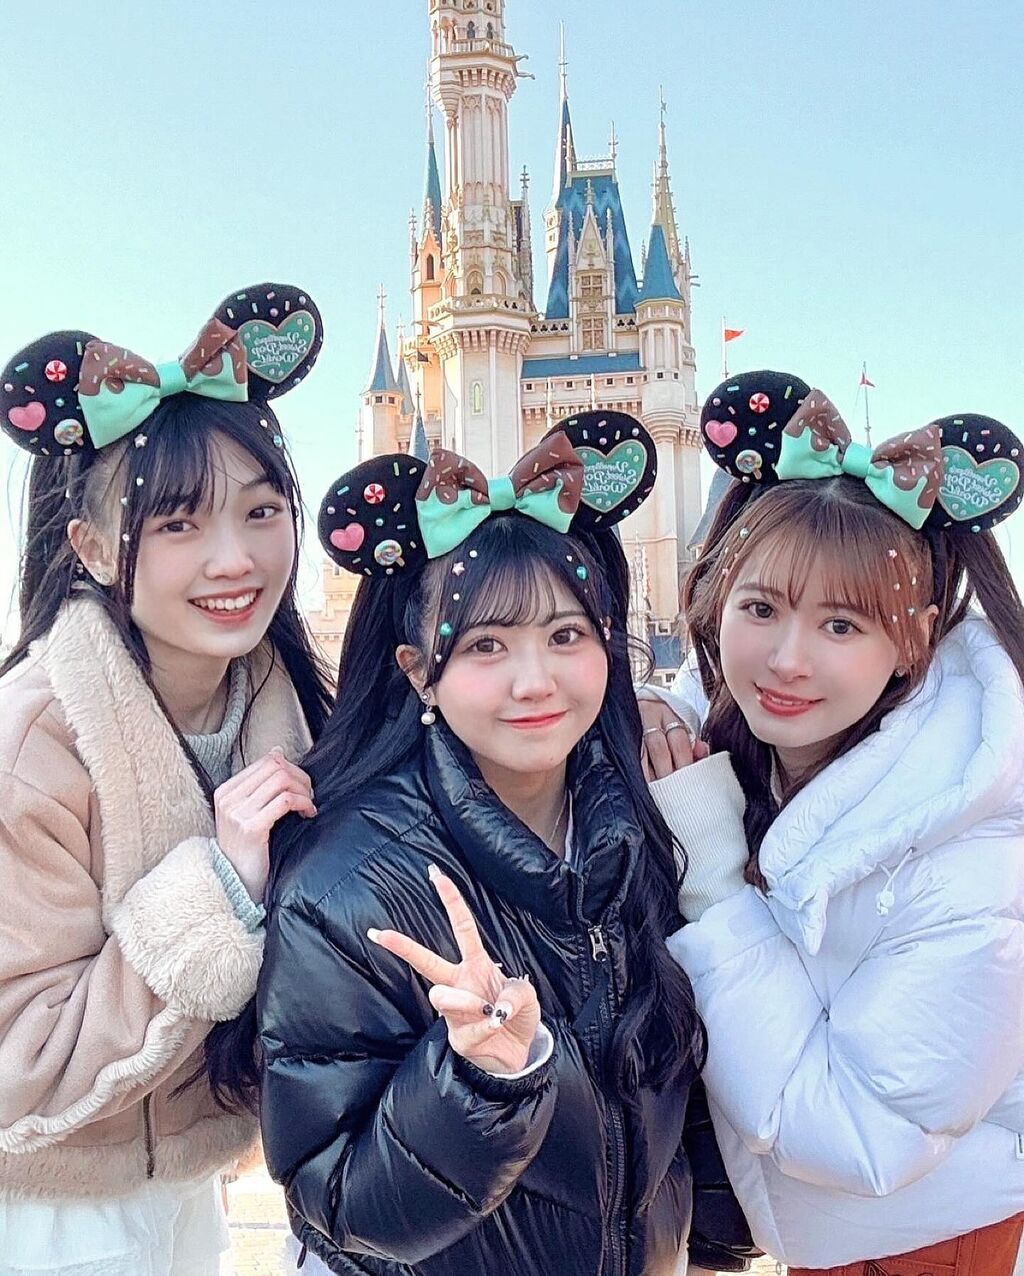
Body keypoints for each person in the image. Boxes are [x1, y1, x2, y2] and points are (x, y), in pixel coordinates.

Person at [251, 413, 718, 1276]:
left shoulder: (636, 832)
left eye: (566, 636)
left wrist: (712, 1229)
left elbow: (668, 1086)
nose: (534, 681)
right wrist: (479, 1080)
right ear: (418, 672)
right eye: (486, 645)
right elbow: (338, 1204)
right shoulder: (349, 885)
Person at [641, 369, 1024, 1276]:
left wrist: (715, 881)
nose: (787, 660)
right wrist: (651, 708)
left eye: (843, 626)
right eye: (761, 608)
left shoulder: (973, 857)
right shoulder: (772, 733)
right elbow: (697, 688)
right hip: (815, 1227)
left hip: (917, 1238)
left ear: (913, 640)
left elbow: (855, 1133)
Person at [0, 282, 331, 1276]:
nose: (235, 560)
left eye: (260, 510)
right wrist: (218, 885)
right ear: (92, 548)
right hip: (52, 1206)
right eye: (179, 523)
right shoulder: (35, 743)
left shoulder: (288, 701)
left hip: (185, 1178)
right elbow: (18, 1061)